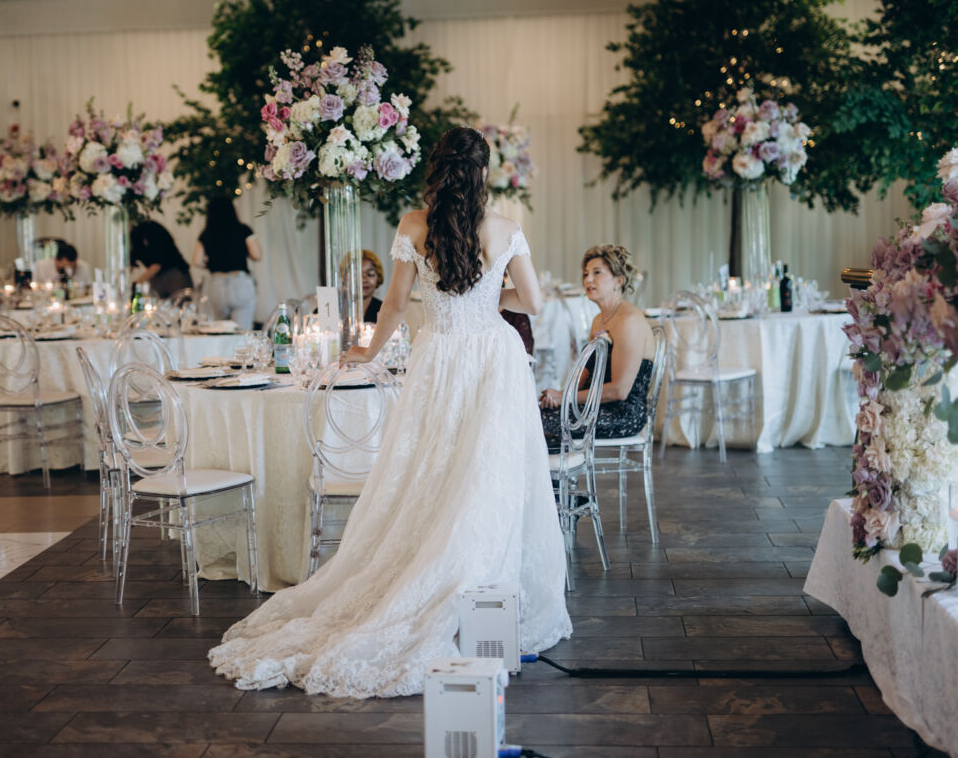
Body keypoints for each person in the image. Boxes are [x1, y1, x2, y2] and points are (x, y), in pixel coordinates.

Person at [208, 127, 571, 698]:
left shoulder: (413, 225)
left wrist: (367, 352)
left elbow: (396, 304)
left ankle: (434, 575)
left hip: (438, 356)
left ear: (437, 169)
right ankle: (484, 594)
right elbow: (534, 302)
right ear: (483, 171)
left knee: (430, 467)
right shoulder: (504, 227)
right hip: (492, 357)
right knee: (490, 473)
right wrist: (486, 298)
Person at [539, 245, 654, 447]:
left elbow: (619, 391)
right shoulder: (598, 320)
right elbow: (586, 376)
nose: (588, 280)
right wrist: (557, 396)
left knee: (542, 423)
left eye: (597, 273)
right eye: (585, 274)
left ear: (619, 281)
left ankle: (562, 469)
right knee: (534, 412)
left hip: (622, 414)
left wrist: (565, 398)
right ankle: (560, 468)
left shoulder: (628, 320)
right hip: (594, 406)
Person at [192, 197, 262, 329]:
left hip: (216, 284)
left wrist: (209, 264)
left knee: (217, 330)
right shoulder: (243, 229)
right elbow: (257, 255)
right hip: (239, 282)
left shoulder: (206, 233)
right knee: (242, 331)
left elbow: (196, 261)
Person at [130, 220, 193, 299]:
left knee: (180, 303)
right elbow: (129, 263)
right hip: (157, 278)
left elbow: (157, 265)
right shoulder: (132, 238)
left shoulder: (150, 228)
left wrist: (136, 284)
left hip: (175, 275)